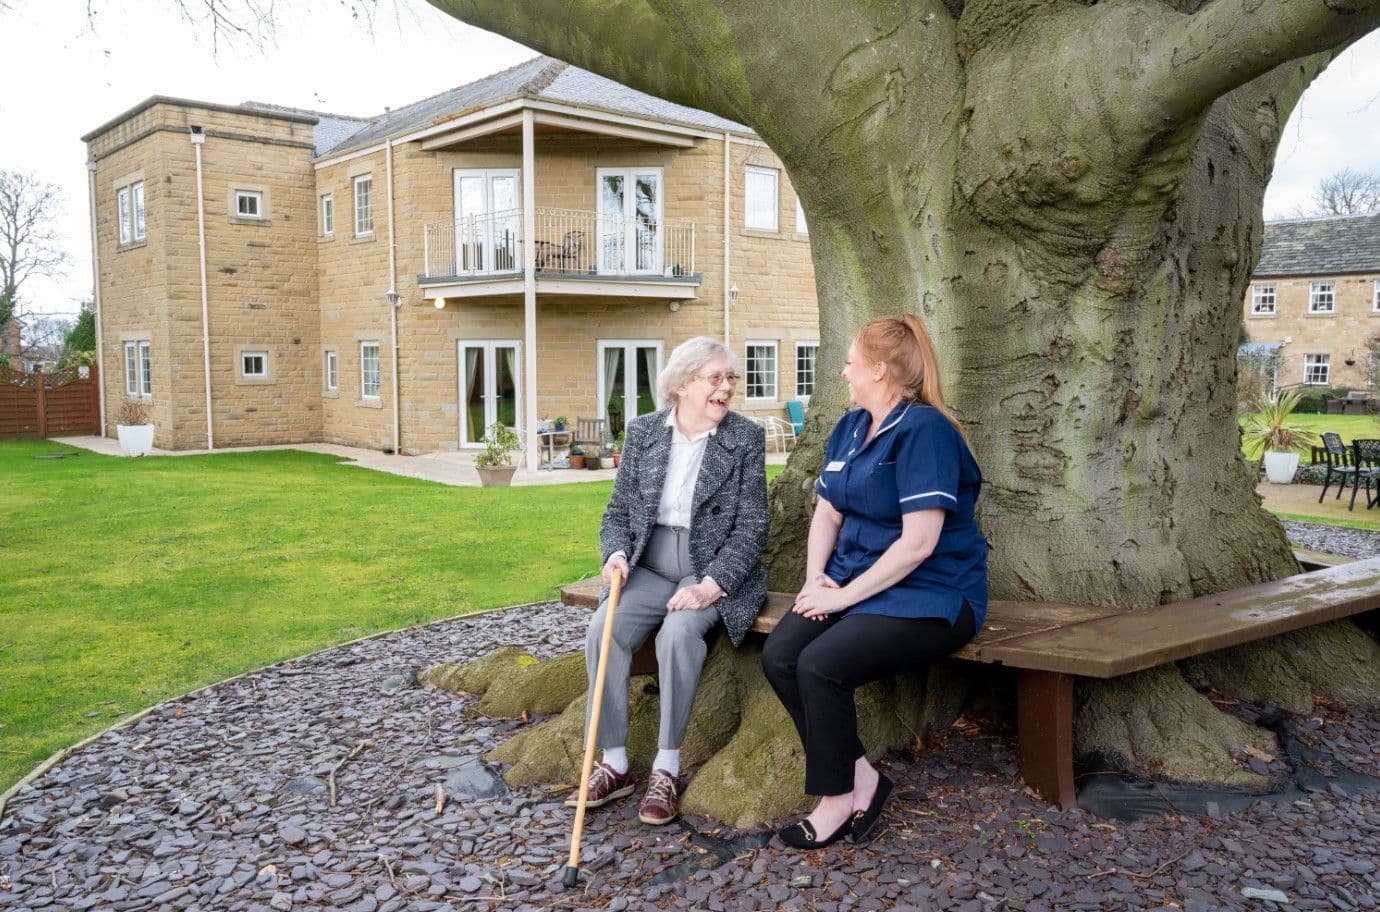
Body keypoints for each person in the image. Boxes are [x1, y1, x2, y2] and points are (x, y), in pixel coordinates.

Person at [761, 314, 988, 849]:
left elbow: (919, 543)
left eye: (850, 362)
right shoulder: (849, 426)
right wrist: (817, 578)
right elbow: (827, 514)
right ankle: (863, 776)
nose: (843, 372)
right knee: (781, 656)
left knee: (820, 666)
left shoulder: (925, 432)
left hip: (932, 591)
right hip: (853, 581)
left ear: (880, 370)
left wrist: (843, 595)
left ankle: (835, 799)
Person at [568, 336, 768, 826]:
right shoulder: (643, 433)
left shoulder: (745, 437)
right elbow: (617, 512)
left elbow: (752, 525)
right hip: (651, 566)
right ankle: (615, 763)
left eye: (731, 379)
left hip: (710, 568)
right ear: (682, 385)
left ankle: (666, 765)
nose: (726, 388)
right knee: (603, 631)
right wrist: (615, 554)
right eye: (715, 378)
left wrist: (710, 585)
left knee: (679, 634)